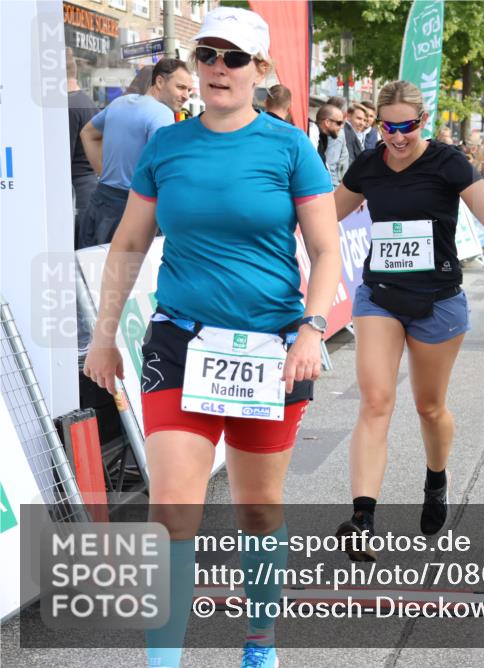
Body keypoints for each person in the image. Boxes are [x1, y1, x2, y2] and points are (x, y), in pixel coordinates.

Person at [81, 8, 342, 668]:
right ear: (194, 64)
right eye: (207, 55)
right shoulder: (168, 144)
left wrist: (312, 328)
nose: (218, 68)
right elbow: (128, 244)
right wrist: (104, 335)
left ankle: (260, 642)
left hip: (272, 350)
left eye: (234, 57)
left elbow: (325, 249)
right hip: (180, 343)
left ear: (260, 69)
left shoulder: (289, 147)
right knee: (172, 510)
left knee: (258, 510)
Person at [330, 80, 484, 560]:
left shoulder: (448, 163)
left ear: (423, 121)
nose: (398, 137)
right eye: (387, 127)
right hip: (380, 296)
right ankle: (363, 519)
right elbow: (322, 218)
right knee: (375, 400)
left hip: (438, 301)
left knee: (429, 407)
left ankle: (436, 478)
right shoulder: (367, 165)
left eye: (407, 126)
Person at [78, 58, 192, 248]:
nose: (186, 95)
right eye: (180, 87)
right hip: (134, 212)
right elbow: (165, 173)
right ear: (160, 82)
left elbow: (87, 133)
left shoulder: (119, 103)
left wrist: (104, 173)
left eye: (189, 90)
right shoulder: (162, 114)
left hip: (100, 203)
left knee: (94, 266)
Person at [66, 48, 99, 240]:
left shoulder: (69, 106)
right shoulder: (86, 101)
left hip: (76, 193)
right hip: (88, 188)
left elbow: (63, 159)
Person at [316, 103, 349, 187]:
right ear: (327, 122)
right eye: (339, 123)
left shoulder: (323, 137)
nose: (341, 127)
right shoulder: (312, 134)